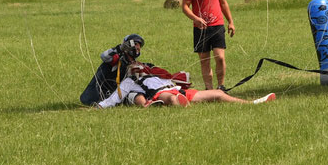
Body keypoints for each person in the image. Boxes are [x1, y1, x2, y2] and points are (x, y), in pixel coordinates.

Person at [96, 61, 274, 108]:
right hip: (160, 95)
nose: (138, 65)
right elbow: (113, 99)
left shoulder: (156, 73)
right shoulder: (129, 82)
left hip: (176, 89)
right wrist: (98, 107)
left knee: (218, 94)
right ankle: (180, 105)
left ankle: (252, 103)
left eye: (139, 63)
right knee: (173, 99)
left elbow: (178, 80)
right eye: (133, 65)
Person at [181, 0, 236, 89]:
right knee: (205, 60)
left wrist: (230, 21)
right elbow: (185, 7)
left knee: (220, 57)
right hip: (200, 29)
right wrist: (195, 18)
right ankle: (209, 89)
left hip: (217, 25)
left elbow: (223, 2)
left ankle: (221, 86)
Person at [79, 33, 144, 106]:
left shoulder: (136, 64)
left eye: (139, 45)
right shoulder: (116, 58)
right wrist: (119, 48)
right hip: (96, 96)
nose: (137, 47)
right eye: (135, 43)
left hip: (115, 96)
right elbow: (104, 56)